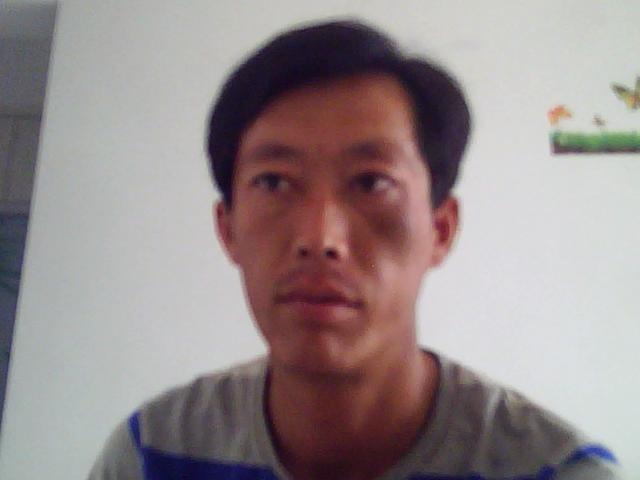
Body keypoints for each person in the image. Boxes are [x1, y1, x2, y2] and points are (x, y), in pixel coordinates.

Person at [89, 20, 620, 480]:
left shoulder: (555, 471)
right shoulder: (151, 456)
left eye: (371, 183)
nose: (320, 238)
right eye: (274, 182)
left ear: (440, 229)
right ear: (227, 230)